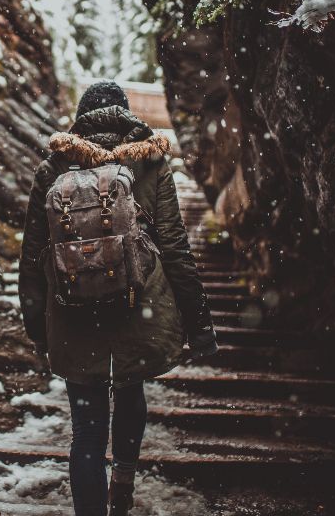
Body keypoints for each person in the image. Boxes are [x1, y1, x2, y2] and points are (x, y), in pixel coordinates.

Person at [18, 81, 217, 516]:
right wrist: (198, 321)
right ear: (126, 115)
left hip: (72, 312)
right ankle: (123, 480)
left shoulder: (54, 167)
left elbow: (33, 256)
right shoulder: (150, 162)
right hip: (137, 303)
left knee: (87, 430)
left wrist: (37, 325)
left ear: (82, 116)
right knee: (130, 388)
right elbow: (175, 246)